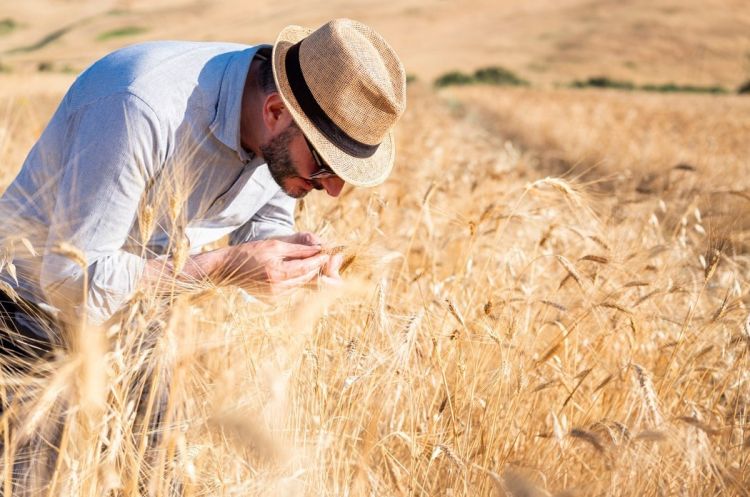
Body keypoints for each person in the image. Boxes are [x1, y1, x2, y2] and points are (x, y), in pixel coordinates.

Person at [0, 18, 406, 493]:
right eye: (323, 166)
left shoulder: (279, 122)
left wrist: (295, 262)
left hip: (139, 320)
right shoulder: (140, 106)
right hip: (26, 312)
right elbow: (69, 278)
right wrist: (222, 268)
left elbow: (266, 220)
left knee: (159, 481)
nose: (333, 190)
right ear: (275, 111)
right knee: (29, 484)